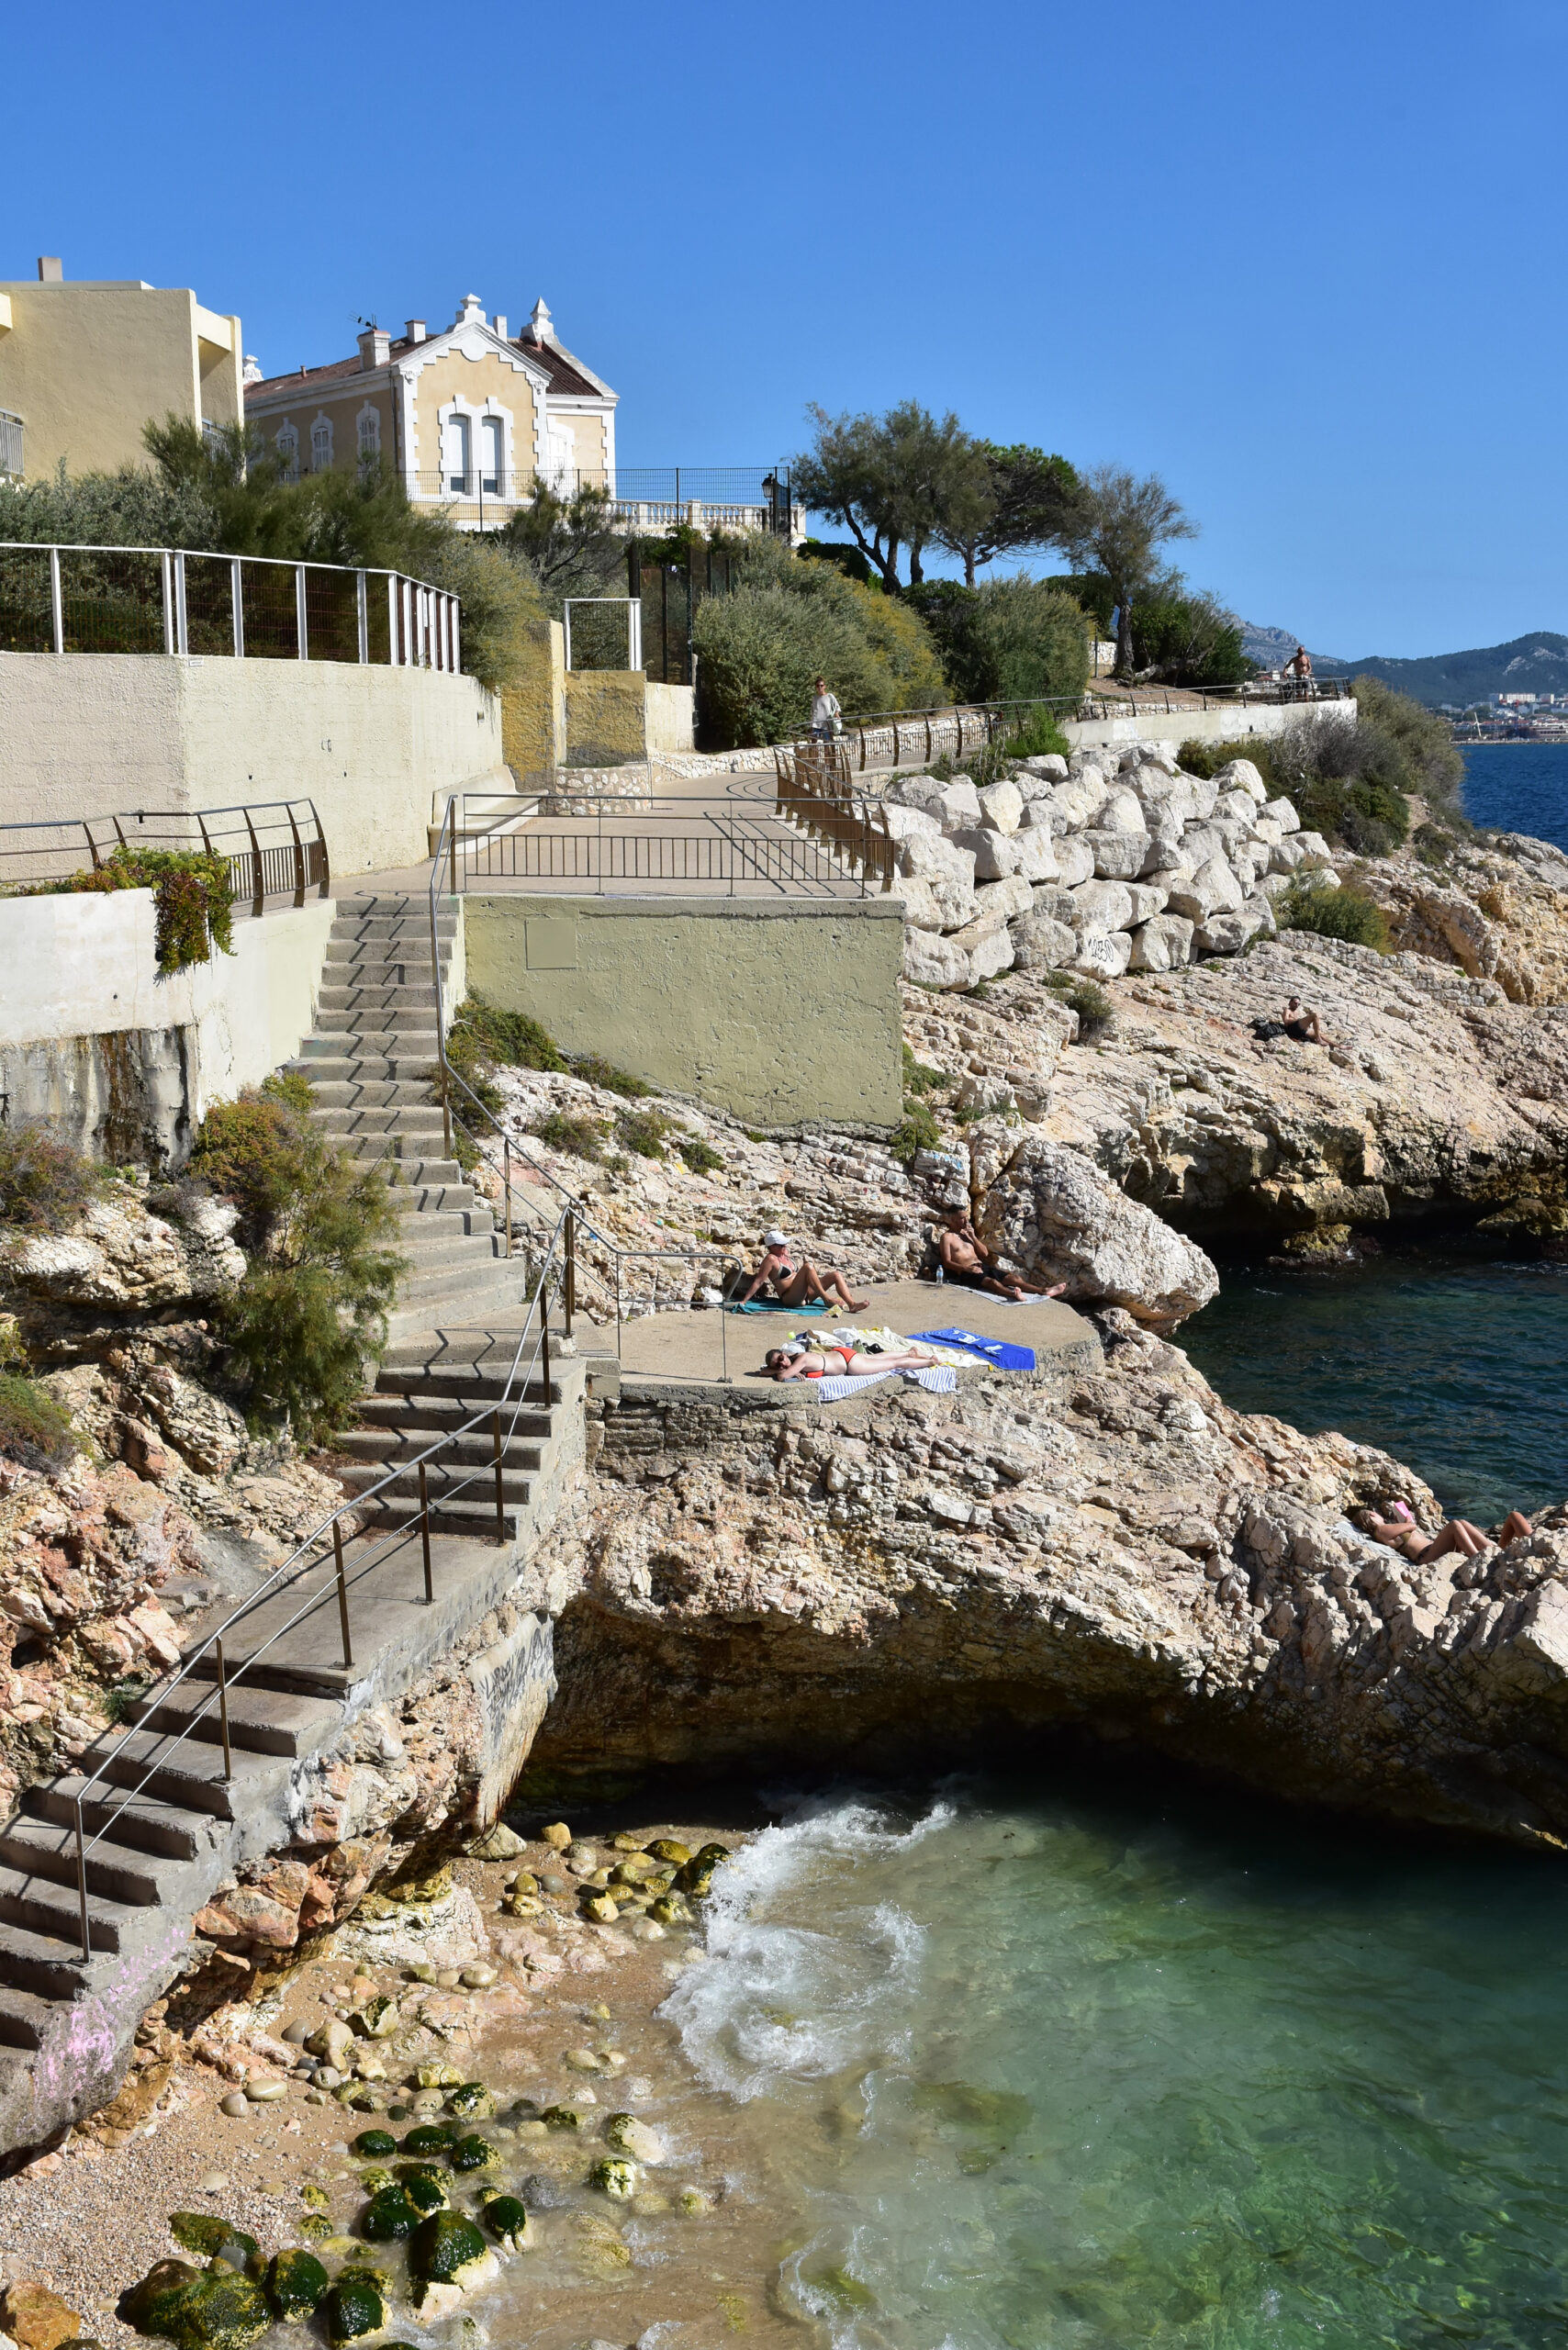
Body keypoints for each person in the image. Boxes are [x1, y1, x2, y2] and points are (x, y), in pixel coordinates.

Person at [933, 1208, 1066, 1302]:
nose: (966, 1221)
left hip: (982, 1266)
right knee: (992, 1283)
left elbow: (984, 1253)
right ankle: (1013, 1294)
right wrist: (967, 1268)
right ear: (952, 1219)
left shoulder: (967, 1234)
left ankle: (1043, 1290)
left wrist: (973, 1237)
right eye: (962, 1218)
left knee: (1014, 1279)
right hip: (966, 1272)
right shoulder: (947, 1237)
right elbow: (947, 1262)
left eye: (966, 1217)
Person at [1361, 1498, 1532, 1563]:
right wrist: (1406, 1520)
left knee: (1463, 1522)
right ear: (1370, 1516)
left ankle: (1531, 1545)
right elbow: (1412, 1526)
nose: (1377, 1514)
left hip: (1434, 1549)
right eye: (1374, 1513)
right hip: (1426, 1557)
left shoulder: (1386, 1530)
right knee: (1454, 1525)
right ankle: (1478, 1559)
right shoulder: (1381, 1530)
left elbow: (1407, 1531)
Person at [735, 1230, 868, 1312]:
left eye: (785, 1244)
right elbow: (758, 1281)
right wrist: (744, 1301)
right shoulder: (770, 1259)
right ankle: (826, 1299)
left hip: (806, 1294)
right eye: (781, 1245)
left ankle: (852, 1305)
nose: (784, 1247)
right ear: (772, 1246)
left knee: (836, 1275)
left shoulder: (785, 1254)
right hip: (791, 1298)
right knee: (808, 1266)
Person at [765, 1338, 938, 1382]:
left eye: (780, 1359)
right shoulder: (796, 1360)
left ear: (784, 1353)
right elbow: (761, 1372)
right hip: (842, 1355)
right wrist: (780, 1370)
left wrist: (780, 1372)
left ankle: (930, 1362)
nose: (782, 1364)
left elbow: (782, 1377)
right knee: (875, 1357)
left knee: (892, 1365)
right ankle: (909, 1353)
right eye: (778, 1364)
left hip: (849, 1365)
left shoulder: (800, 1359)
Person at [810, 677, 842, 744]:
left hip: (826, 724)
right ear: (816, 687)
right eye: (818, 686)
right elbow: (812, 711)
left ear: (825, 686)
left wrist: (836, 714)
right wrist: (811, 724)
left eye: (821, 685)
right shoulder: (814, 698)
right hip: (816, 723)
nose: (820, 687)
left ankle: (828, 755)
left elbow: (837, 707)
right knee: (813, 741)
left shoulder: (829, 696)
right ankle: (814, 755)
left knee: (827, 743)